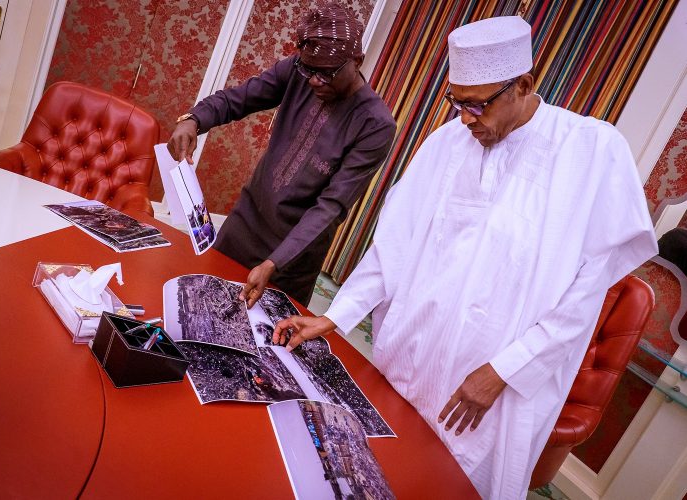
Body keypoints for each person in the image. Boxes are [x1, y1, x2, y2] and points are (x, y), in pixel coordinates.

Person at [273, 16, 657, 499]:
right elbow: (393, 246)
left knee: (456, 486)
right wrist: (336, 317)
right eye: (456, 102)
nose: (465, 119)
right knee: (379, 473)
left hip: (495, 390)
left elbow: (585, 295)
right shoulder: (446, 143)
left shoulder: (593, 150)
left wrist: (505, 371)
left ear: (523, 85)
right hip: (411, 358)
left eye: (477, 105)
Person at [168, 2, 396, 308]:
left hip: (292, 258)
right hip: (244, 225)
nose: (314, 80)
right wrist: (193, 120)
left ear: (357, 61)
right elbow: (237, 100)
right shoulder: (297, 71)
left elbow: (330, 207)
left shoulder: (375, 124)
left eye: (326, 73)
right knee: (198, 304)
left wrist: (274, 263)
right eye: (309, 69)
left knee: (258, 342)